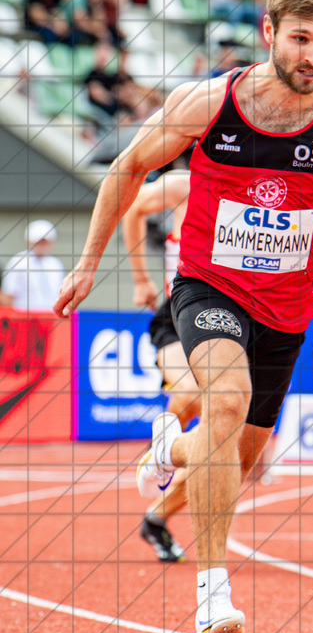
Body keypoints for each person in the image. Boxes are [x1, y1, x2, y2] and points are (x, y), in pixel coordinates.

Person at [54, 0, 313, 633]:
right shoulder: (208, 104)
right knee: (223, 400)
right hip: (209, 287)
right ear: (268, 32)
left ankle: (170, 448)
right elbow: (126, 168)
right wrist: (88, 263)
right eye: (301, 39)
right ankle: (212, 591)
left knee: (239, 455)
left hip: (288, 308)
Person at [121, 170, 198, 563]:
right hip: (175, 314)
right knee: (188, 393)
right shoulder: (184, 183)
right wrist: (140, 278)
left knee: (227, 448)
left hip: (230, 318)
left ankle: (156, 518)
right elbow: (131, 208)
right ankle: (161, 450)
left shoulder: (258, 189)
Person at [3, 220, 65, 312]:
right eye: (38, 241)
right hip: (24, 318)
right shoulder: (18, 262)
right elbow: (9, 295)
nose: (41, 245)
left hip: (50, 318)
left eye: (44, 242)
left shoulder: (56, 264)